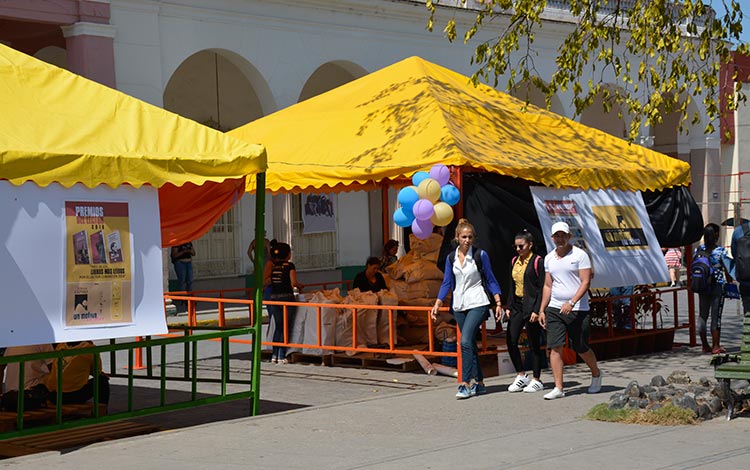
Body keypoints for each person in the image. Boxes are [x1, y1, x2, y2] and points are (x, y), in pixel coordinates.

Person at [431, 218, 502, 399]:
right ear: (457, 237)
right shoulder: (450, 257)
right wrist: (438, 303)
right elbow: (447, 282)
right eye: (464, 237)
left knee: (464, 342)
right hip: (459, 304)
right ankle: (479, 382)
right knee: (469, 343)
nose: (467, 240)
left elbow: (491, 278)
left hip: (478, 302)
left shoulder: (480, 255)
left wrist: (498, 301)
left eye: (470, 237)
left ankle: (465, 383)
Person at [539, 221, 602, 400]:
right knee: (554, 347)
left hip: (578, 308)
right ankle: (559, 387)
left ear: (569, 236)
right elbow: (547, 285)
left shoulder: (580, 255)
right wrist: (542, 309)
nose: (560, 239)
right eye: (557, 236)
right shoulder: (549, 258)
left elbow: (585, 282)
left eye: (563, 235)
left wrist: (572, 302)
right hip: (555, 308)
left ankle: (596, 373)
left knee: (580, 347)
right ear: (552, 238)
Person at [504, 230, 546, 393]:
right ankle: (521, 375)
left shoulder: (537, 261)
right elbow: (511, 285)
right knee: (511, 340)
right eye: (516, 246)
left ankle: (537, 378)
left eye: (521, 246)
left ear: (530, 245)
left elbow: (543, 287)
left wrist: (538, 310)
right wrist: (509, 305)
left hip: (532, 305)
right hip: (517, 305)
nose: (518, 249)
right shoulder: (514, 261)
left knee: (533, 343)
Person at [695, 223, 732, 354]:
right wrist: (730, 283)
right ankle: (716, 346)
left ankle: (705, 345)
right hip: (716, 286)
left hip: (702, 286)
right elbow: (727, 269)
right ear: (716, 235)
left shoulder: (698, 250)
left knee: (702, 315)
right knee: (716, 316)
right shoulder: (720, 251)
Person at [264, 242, 302, 364]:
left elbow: (268, 281)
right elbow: (294, 283)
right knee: (286, 327)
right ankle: (282, 355)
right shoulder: (290, 266)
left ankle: (274, 355)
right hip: (287, 299)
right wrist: (301, 286)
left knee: (278, 327)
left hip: (274, 299)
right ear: (288, 255)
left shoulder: (273, 267)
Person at [45, 341, 110, 407]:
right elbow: (96, 371)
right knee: (102, 381)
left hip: (53, 395)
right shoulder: (90, 349)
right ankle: (101, 412)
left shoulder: (60, 346)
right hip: (73, 396)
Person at [731, 221, 750, 315]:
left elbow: (734, 253)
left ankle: (747, 328)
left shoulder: (738, 231)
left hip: (745, 277)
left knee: (747, 308)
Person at [171, 241, 196, 313]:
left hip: (188, 262)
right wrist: (183, 252)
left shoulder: (189, 242)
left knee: (190, 281)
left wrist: (189, 251)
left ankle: (190, 298)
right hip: (180, 263)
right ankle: (183, 299)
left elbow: (194, 253)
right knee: (182, 281)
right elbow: (174, 255)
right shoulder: (176, 243)